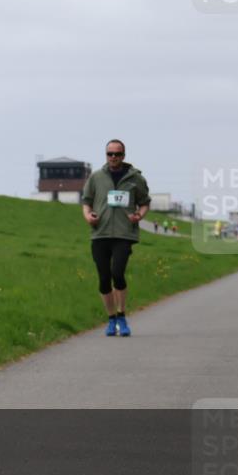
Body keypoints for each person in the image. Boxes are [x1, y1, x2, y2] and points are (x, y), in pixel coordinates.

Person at [81, 140, 151, 337]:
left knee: (117, 273)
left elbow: (145, 202)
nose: (113, 157)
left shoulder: (135, 178)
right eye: (109, 154)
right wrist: (88, 216)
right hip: (100, 233)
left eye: (117, 154)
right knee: (104, 279)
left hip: (124, 233)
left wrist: (139, 215)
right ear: (106, 155)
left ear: (124, 155)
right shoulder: (96, 177)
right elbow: (86, 202)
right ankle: (111, 319)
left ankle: (122, 315)